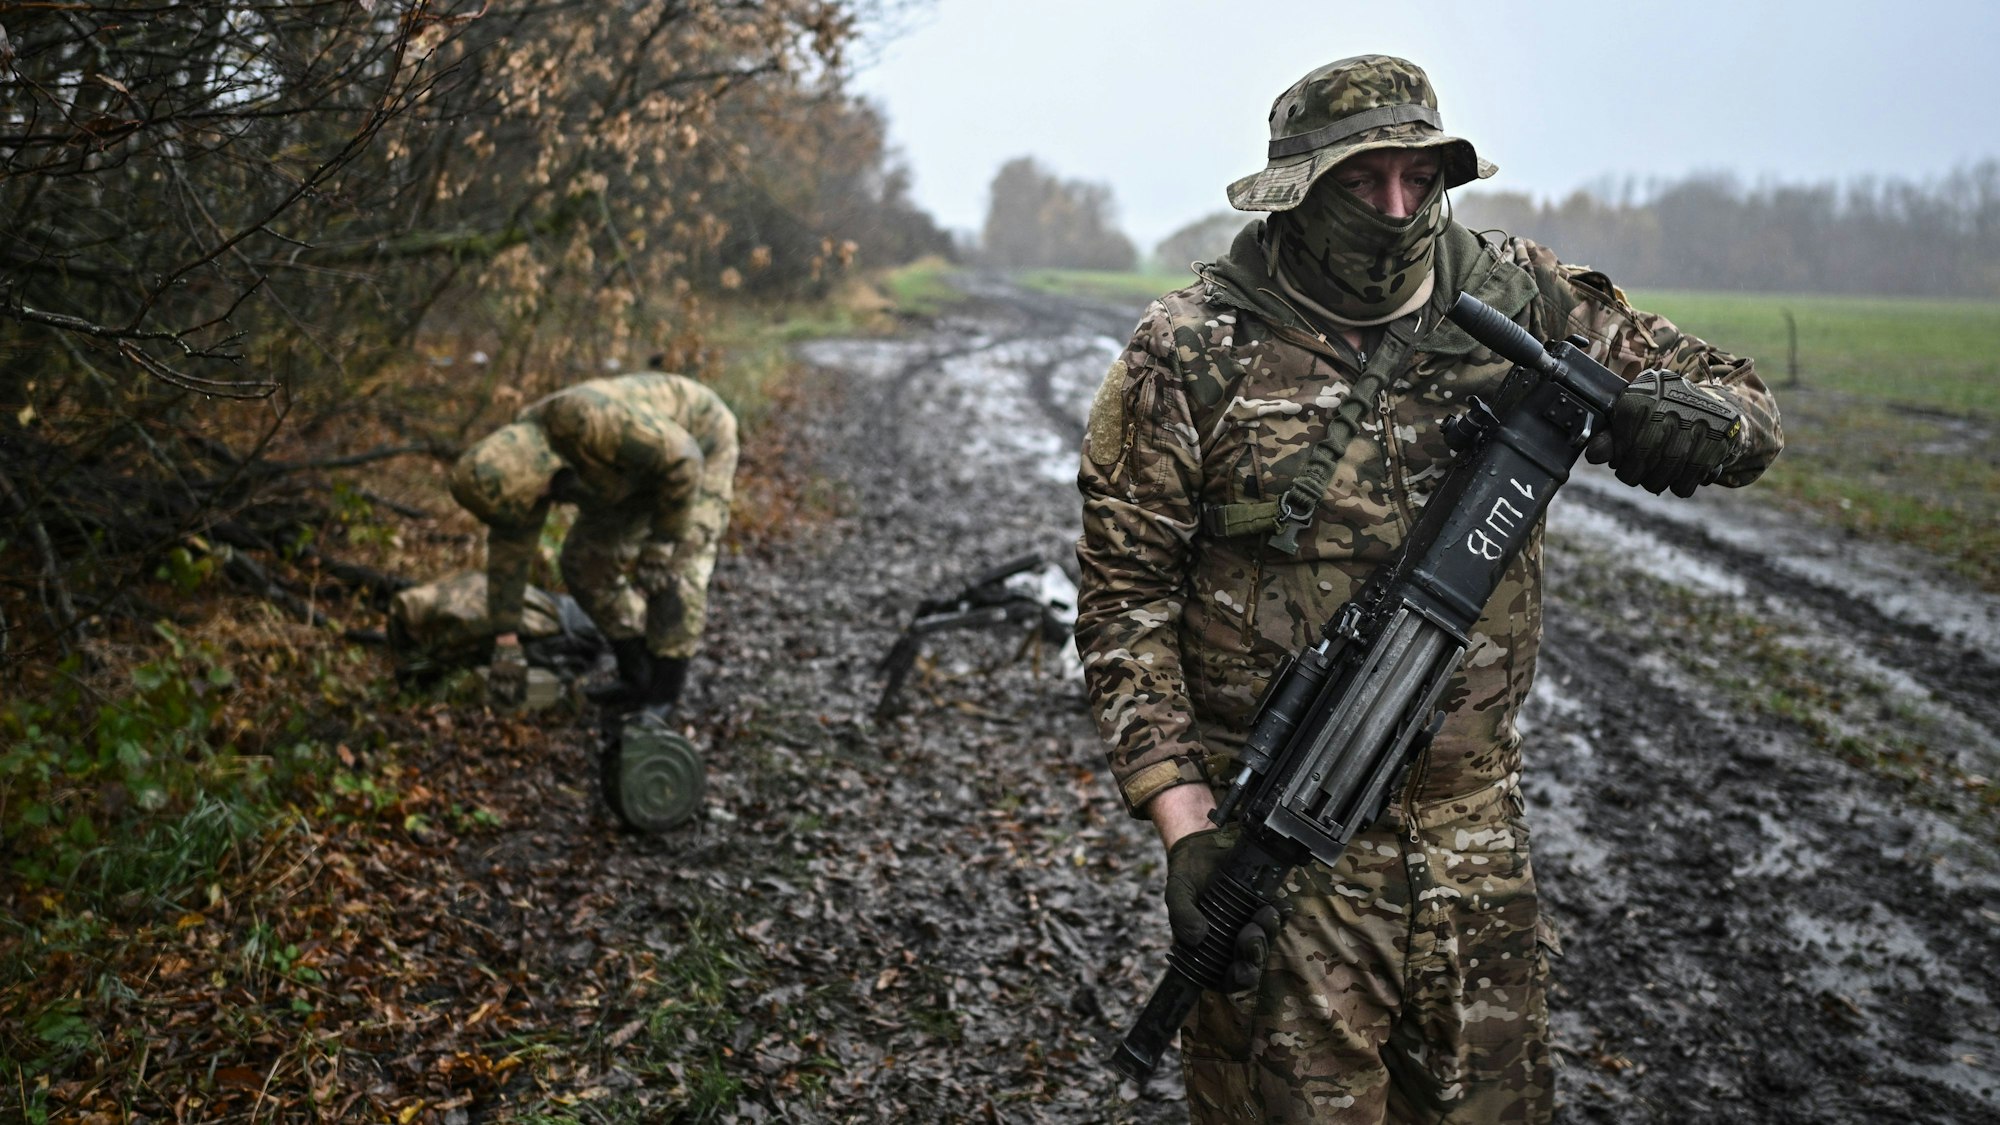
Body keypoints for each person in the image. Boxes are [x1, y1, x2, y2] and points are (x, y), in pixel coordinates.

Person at [1075, 55, 1783, 1123]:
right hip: (1286, 855)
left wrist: (1690, 420)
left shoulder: (1523, 296)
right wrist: (1186, 827)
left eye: (1419, 178)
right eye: (1362, 182)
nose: (1397, 208)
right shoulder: (1188, 351)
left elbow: (1744, 407)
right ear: (1299, 192)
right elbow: (1122, 602)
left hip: (1475, 845)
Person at [451, 370, 738, 725]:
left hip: (698, 445)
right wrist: (506, 643)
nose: (543, 502)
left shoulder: (584, 421)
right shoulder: (513, 475)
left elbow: (684, 460)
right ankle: (636, 674)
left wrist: (662, 542)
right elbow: (508, 559)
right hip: (628, 476)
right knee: (584, 564)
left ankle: (664, 694)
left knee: (675, 570)